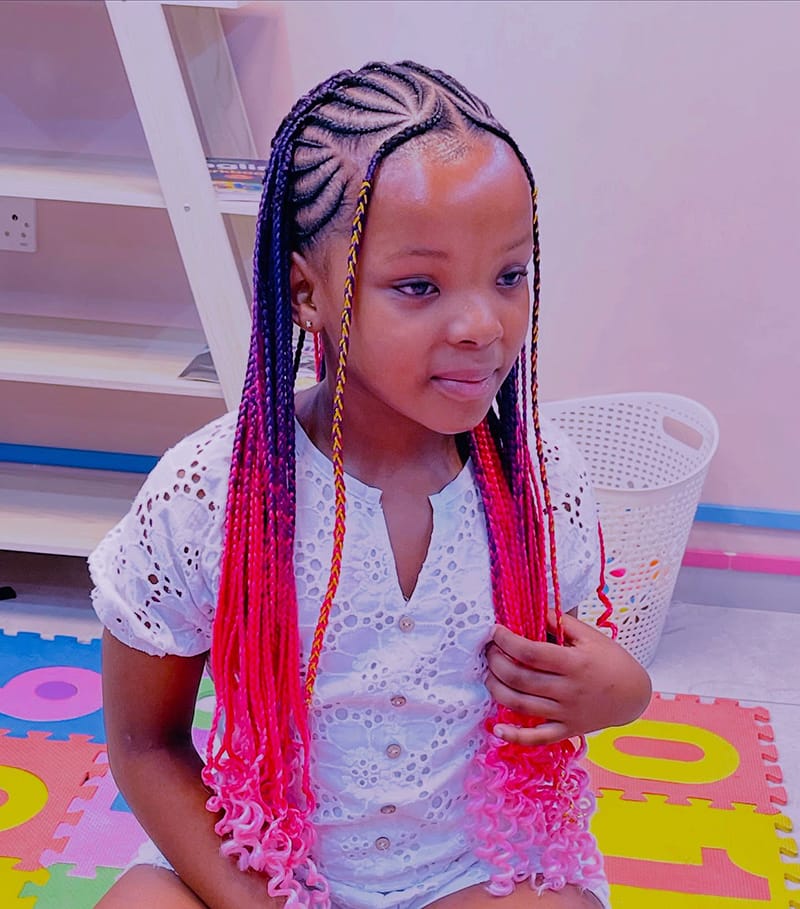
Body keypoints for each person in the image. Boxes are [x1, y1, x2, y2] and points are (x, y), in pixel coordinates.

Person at [90, 61, 651, 909]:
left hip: (475, 875)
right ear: (306, 292)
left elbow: (573, 672)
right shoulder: (209, 491)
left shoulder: (544, 485)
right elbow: (144, 742)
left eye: (509, 275)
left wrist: (623, 694)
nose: (481, 325)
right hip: (260, 865)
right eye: (419, 286)